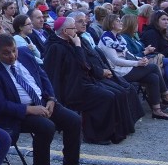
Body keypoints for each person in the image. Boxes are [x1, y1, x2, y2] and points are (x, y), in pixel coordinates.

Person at [0, 35, 90, 165]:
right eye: (6, 53)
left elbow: (43, 77)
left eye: (14, 50)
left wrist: (52, 99)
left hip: (43, 102)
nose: (12, 56)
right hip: (17, 113)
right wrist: (29, 110)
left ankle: (71, 164)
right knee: (46, 126)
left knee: (74, 120)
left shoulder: (25, 54)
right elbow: (0, 105)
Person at [42, 17, 128, 145]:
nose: (76, 30)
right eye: (73, 28)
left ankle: (111, 133)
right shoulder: (55, 47)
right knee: (106, 97)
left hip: (81, 83)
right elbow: (80, 65)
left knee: (114, 93)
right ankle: (94, 136)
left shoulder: (69, 42)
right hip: (70, 89)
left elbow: (85, 65)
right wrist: (77, 46)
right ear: (66, 31)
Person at [98, 14, 168, 119]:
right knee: (154, 67)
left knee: (153, 77)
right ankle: (166, 95)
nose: (121, 22)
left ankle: (157, 110)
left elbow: (128, 55)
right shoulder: (106, 39)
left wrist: (140, 59)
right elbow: (115, 61)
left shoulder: (118, 38)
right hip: (117, 72)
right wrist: (136, 63)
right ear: (111, 24)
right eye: (118, 21)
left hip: (126, 68)